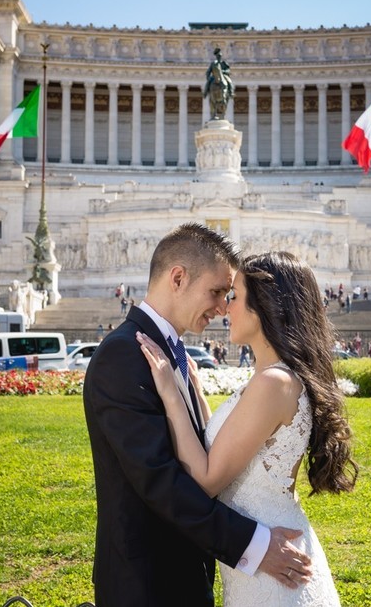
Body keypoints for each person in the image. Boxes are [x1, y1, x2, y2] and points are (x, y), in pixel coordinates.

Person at [83, 224, 313, 607]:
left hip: (185, 573)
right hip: (147, 584)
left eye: (229, 295)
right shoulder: (122, 355)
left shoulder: (170, 353)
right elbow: (160, 482)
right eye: (217, 292)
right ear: (178, 278)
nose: (223, 307)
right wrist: (254, 545)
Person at [138, 251, 358, 605]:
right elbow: (230, 448)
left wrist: (170, 393)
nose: (225, 308)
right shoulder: (273, 377)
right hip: (265, 556)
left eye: (235, 297)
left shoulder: (273, 382)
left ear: (265, 307)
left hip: (271, 568)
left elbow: (208, 478)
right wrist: (194, 390)